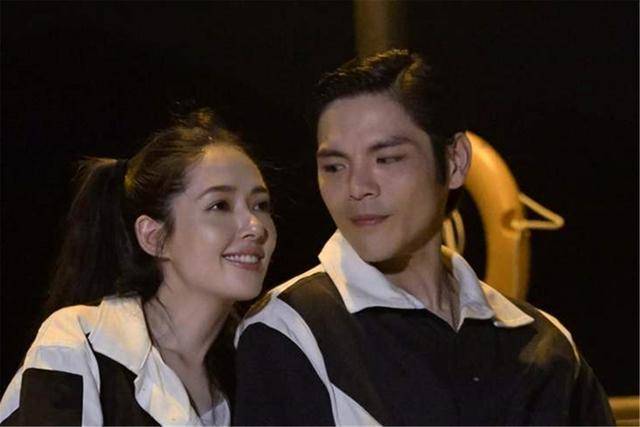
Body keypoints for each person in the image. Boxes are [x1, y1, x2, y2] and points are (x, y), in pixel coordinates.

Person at [233, 49, 613, 425]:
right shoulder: (289, 331)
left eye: (386, 159)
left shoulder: (545, 345)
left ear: (455, 160)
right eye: (334, 166)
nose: (357, 187)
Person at [0, 109, 276, 426]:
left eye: (260, 205)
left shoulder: (255, 371)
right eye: (219, 205)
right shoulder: (80, 342)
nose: (256, 226)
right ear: (154, 237)